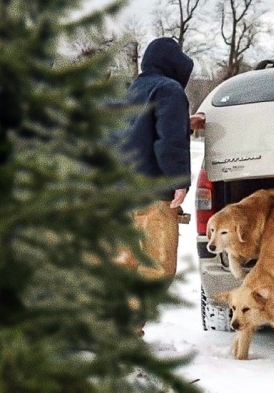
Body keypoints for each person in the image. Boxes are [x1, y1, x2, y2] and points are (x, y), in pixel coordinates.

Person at [113, 37, 194, 282]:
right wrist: (179, 180)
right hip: (153, 197)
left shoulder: (130, 90)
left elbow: (137, 133)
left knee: (124, 267)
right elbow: (168, 141)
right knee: (156, 271)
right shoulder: (169, 89)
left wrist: (185, 124)